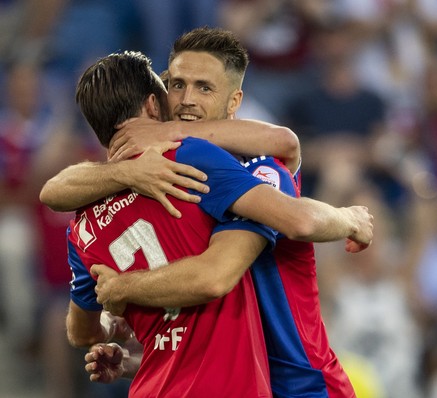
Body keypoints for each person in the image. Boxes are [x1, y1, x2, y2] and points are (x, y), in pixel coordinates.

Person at [42, 27, 371, 396]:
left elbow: (292, 205)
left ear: (234, 102)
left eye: (204, 87)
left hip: (303, 385)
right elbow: (53, 191)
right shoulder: (167, 175)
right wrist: (140, 359)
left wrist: (350, 218)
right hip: (239, 382)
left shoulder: (260, 169)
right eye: (177, 85)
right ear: (158, 97)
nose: (186, 101)